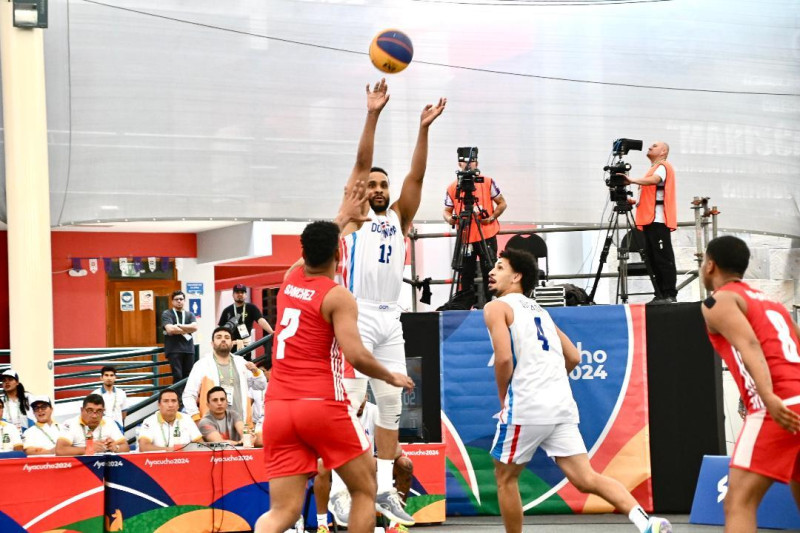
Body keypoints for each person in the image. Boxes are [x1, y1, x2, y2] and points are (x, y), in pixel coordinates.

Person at [483, 248, 671, 533]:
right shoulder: (542, 313)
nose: (491, 272)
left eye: (499, 267)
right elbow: (574, 357)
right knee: (586, 478)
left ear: (517, 276)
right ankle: (645, 522)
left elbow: (504, 358)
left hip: (527, 407)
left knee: (505, 478)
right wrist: (549, 383)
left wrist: (503, 398)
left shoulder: (496, 307)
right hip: (560, 406)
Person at [254, 220, 414, 533]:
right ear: (338, 256)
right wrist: (390, 375)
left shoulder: (288, 281)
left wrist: (341, 218)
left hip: (278, 407)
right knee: (366, 489)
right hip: (319, 404)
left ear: (302, 252)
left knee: (282, 512)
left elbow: (313, 250)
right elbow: (356, 355)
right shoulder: (338, 296)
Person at [337, 79, 445, 527]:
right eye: (374, 183)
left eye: (383, 184)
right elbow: (362, 162)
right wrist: (373, 114)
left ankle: (382, 490)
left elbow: (415, 177)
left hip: (391, 317)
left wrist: (423, 129)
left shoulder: (398, 217)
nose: (379, 188)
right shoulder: (353, 217)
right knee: (352, 406)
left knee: (393, 404)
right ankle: (345, 493)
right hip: (357, 313)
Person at [699, 235, 800, 533]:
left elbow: (750, 345)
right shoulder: (772, 303)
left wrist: (768, 396)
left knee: (738, 502)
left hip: (777, 405)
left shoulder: (718, 301)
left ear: (711, 265)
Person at [315, 395, 413, 533]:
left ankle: (394, 525)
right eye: (355, 400)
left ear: (366, 397)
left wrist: (377, 460)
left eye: (362, 400)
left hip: (369, 466)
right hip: (340, 466)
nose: (359, 404)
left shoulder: (375, 412)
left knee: (405, 464)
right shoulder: (334, 414)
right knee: (321, 465)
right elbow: (319, 450)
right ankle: (322, 525)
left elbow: (397, 449)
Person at [442, 146, 507, 303]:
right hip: (465, 235)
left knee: (490, 271)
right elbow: (446, 211)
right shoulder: (453, 187)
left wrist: (491, 218)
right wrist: (450, 219)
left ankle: (491, 305)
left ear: (477, 163)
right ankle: (466, 306)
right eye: (465, 163)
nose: (468, 165)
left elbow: (502, 203)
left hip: (487, 234)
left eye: (472, 162)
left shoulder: (486, 181)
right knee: (466, 273)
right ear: (459, 164)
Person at [625, 141, 677, 303]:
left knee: (662, 258)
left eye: (654, 146)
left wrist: (632, 180)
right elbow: (650, 195)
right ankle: (660, 294)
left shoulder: (663, 166)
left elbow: (655, 180)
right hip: (650, 220)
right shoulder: (652, 169)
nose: (649, 147)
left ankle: (669, 294)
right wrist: (633, 201)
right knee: (653, 258)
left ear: (663, 152)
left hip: (658, 220)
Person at [183, 326, 267, 425]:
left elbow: (261, 385)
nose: (223, 339)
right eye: (218, 337)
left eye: (227, 337)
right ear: (212, 343)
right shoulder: (202, 365)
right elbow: (188, 394)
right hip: (213, 425)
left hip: (241, 424)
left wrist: (255, 371)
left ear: (232, 343)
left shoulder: (241, 362)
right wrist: (196, 417)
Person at [56, 394, 130, 455]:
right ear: (82, 410)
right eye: (90, 411)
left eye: (99, 411)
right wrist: (88, 449)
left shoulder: (109, 422)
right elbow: (60, 450)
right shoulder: (70, 424)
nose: (94, 416)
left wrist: (115, 447)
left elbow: (126, 447)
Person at [138, 389, 202, 452]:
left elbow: (201, 444)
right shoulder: (149, 421)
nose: (170, 405)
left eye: (174, 401)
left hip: (184, 460)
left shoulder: (187, 419)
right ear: (159, 405)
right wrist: (170, 450)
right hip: (158, 461)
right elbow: (143, 447)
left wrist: (186, 449)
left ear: (178, 405)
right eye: (166, 401)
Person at [218, 283, 274, 352]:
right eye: (237, 292)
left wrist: (272, 332)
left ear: (246, 295)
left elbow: (261, 320)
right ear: (233, 295)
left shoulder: (251, 308)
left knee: (246, 362)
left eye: (242, 292)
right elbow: (220, 329)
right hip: (230, 345)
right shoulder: (227, 310)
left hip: (246, 346)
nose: (240, 294)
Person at [161, 290, 198, 386]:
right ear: (172, 301)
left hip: (188, 350)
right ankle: (179, 399)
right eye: (176, 299)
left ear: (184, 301)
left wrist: (178, 326)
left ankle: (187, 398)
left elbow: (195, 327)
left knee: (189, 376)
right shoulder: (167, 314)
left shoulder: (190, 314)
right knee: (177, 376)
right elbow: (170, 330)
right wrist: (187, 329)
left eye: (181, 299)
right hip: (174, 350)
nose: (179, 301)